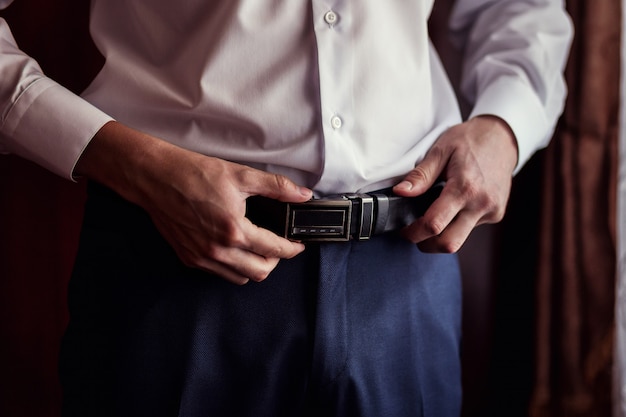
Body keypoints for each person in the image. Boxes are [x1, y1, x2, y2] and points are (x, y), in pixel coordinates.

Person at [0, 0, 572, 416]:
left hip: (407, 273)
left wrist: (505, 125)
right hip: (175, 267)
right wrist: (133, 164)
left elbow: (518, 9)